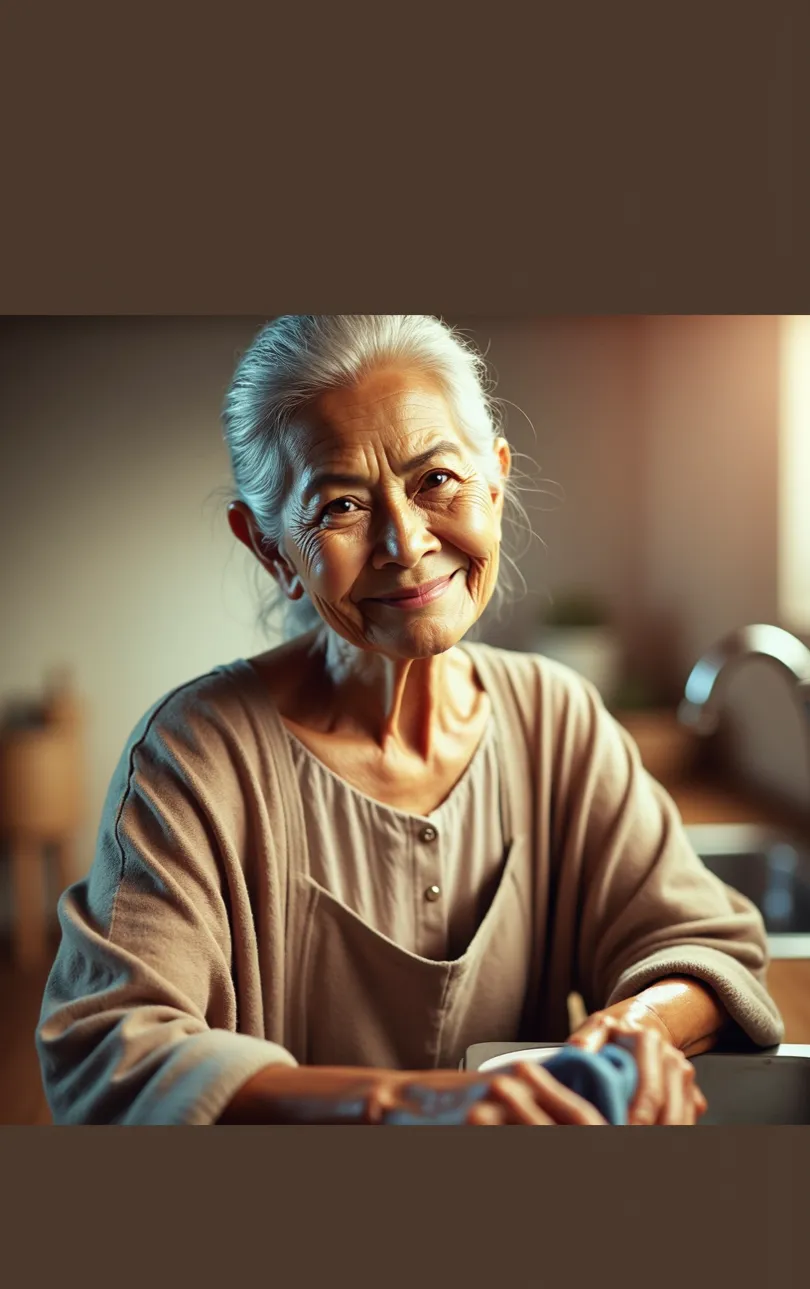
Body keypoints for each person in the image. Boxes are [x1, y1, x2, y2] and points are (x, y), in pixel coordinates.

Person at [36, 315, 784, 1126]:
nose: (406, 540)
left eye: (436, 481)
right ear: (271, 550)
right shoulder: (194, 756)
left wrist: (631, 1031)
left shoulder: (556, 719)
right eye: (342, 505)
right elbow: (113, 1046)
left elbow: (707, 945)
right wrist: (409, 1102)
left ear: (494, 482)